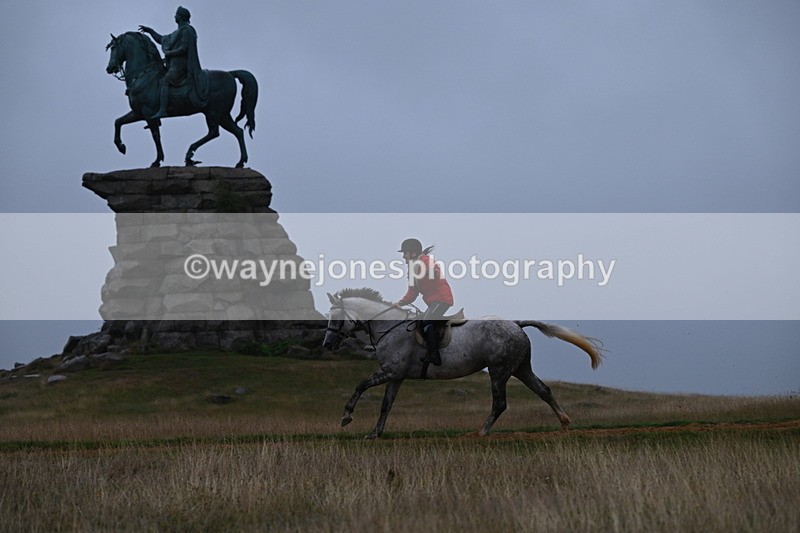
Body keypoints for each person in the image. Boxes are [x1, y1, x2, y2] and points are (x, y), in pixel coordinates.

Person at [139, 6, 209, 119]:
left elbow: (184, 48)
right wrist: (150, 31)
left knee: (165, 81)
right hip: (173, 64)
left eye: (176, 14)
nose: (174, 16)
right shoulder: (176, 33)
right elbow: (161, 39)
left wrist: (170, 53)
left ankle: (163, 110)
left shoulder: (187, 30)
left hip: (181, 66)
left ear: (181, 17)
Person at [394, 238, 454, 366]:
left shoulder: (426, 261)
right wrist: (400, 303)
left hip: (442, 299)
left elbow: (434, 270)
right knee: (420, 322)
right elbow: (412, 292)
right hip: (433, 301)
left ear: (414, 253)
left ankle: (435, 355)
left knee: (427, 321)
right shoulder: (412, 270)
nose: (404, 256)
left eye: (405, 253)